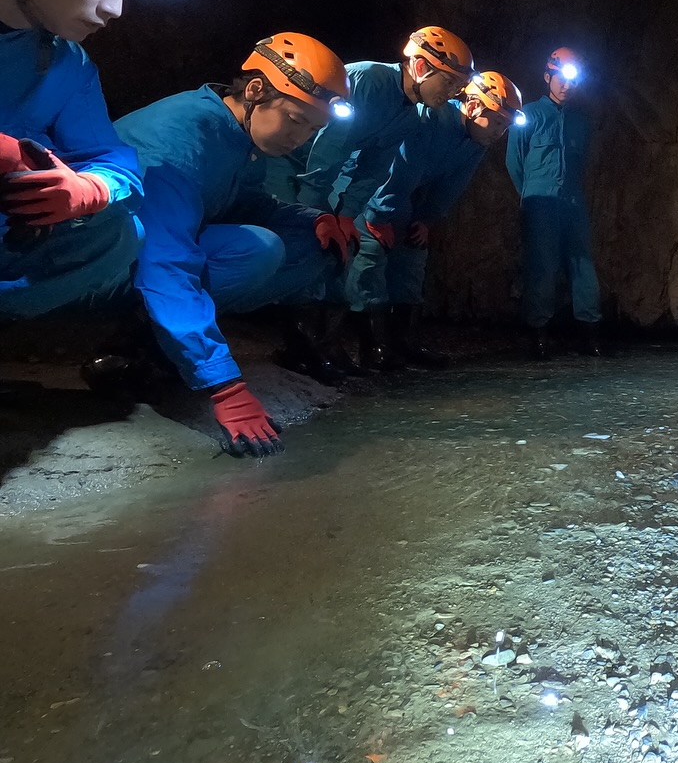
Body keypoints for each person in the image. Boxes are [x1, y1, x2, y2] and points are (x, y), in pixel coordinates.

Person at [111, 33, 354, 457]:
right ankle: (127, 349)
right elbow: (165, 263)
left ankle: (157, 343)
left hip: (158, 253)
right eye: (296, 119)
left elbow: (244, 203)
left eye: (313, 129)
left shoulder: (237, 137)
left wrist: (314, 219)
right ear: (256, 89)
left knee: (309, 245)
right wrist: (224, 386)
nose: (301, 138)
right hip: (101, 262)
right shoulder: (178, 145)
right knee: (257, 249)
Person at [0, 0, 167, 321]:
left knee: (118, 232)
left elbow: (113, 160)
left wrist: (89, 187)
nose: (116, 9)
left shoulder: (66, 63)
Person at [268, 25, 474, 372]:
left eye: (458, 85)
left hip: (323, 172)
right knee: (303, 243)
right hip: (289, 159)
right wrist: (316, 212)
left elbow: (373, 168)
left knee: (338, 250)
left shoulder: (410, 115)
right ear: (422, 68)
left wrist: (348, 215)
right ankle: (298, 346)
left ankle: (321, 343)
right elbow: (326, 149)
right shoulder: (368, 81)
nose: (453, 92)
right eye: (449, 82)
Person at [349, 70, 523, 369]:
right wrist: (378, 216)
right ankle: (373, 348)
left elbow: (452, 184)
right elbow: (399, 166)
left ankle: (401, 345)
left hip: (405, 198)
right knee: (370, 258)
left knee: (412, 256)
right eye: (496, 122)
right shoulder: (431, 118)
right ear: (472, 106)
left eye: (505, 127)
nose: (499, 133)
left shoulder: (475, 142)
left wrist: (427, 220)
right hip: (371, 191)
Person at [506, 47, 601, 359]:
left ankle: (589, 333)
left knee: (582, 265)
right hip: (540, 202)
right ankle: (538, 335)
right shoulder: (529, 114)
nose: (566, 85)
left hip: (573, 201)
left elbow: (582, 160)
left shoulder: (580, 122)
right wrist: (529, 194)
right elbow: (514, 161)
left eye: (572, 80)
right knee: (541, 267)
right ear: (548, 77)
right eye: (560, 78)